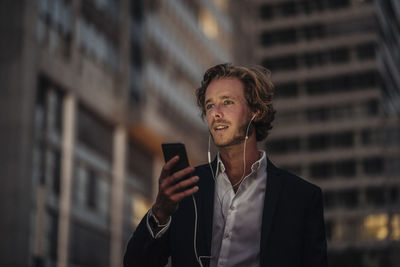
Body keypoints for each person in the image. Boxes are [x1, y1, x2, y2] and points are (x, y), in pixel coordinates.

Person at [123, 63, 327, 267]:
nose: (216, 113)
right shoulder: (186, 188)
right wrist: (160, 212)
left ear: (256, 111)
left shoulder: (301, 198)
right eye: (210, 105)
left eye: (227, 102)